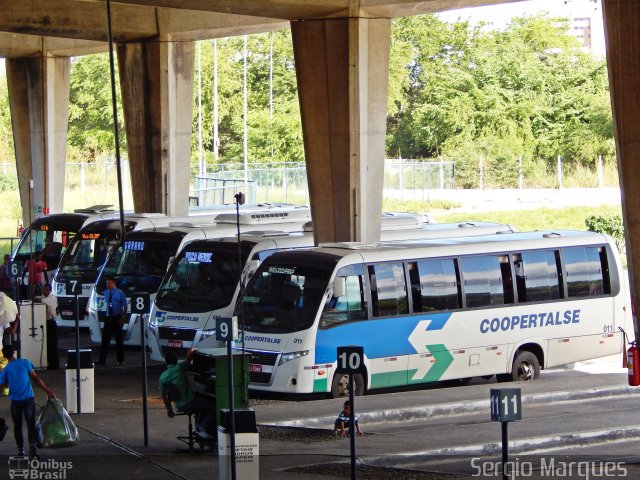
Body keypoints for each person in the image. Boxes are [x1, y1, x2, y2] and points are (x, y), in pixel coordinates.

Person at [0, 344, 55, 459]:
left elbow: (1, 387)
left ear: (4, 356)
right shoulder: (25, 362)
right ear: (14, 353)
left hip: (15, 402)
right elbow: (36, 379)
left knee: (17, 425)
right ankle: (33, 448)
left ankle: (21, 450)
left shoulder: (5, 370)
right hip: (29, 399)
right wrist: (48, 391)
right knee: (30, 423)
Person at [159, 348, 217, 439]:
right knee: (213, 405)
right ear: (176, 360)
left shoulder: (162, 376)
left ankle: (199, 428)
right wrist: (191, 351)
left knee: (203, 404)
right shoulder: (178, 368)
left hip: (178, 405)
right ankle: (201, 428)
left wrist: (169, 410)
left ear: (166, 362)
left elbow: (163, 395)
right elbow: (188, 360)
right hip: (189, 402)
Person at [97, 277, 127, 366]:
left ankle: (120, 360)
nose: (108, 285)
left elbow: (125, 305)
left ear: (114, 283)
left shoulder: (120, 293)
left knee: (119, 340)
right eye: (107, 283)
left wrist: (123, 316)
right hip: (108, 317)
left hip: (117, 317)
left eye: (109, 283)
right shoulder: (105, 292)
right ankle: (102, 360)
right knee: (105, 340)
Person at [41, 284, 59, 370]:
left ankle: (55, 364)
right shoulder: (43, 297)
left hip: (51, 323)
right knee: (48, 344)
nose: (45, 291)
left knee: (52, 345)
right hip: (46, 323)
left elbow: (45, 303)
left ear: (50, 290)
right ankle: (50, 362)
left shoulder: (52, 298)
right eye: (44, 289)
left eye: (47, 290)